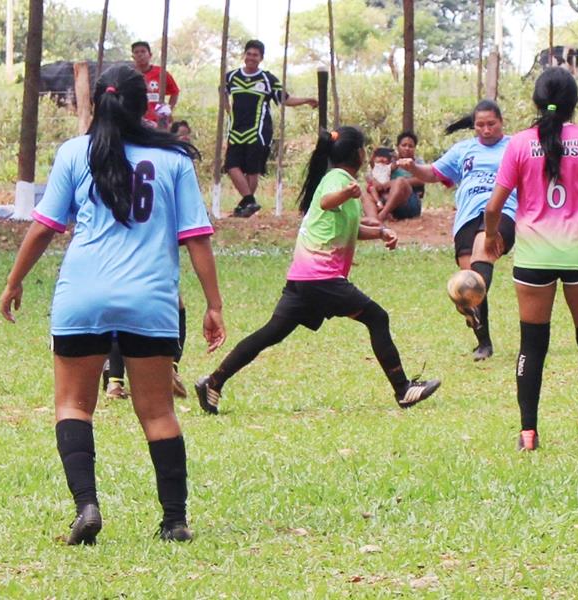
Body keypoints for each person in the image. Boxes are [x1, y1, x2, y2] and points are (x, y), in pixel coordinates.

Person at [0, 65, 226, 544]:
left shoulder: (73, 153)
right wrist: (213, 305)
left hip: (82, 296)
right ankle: (174, 519)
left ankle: (87, 506)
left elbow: (44, 227)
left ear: (97, 103)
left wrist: (15, 280)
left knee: (73, 405)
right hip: (151, 298)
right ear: (144, 106)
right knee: (159, 412)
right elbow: (197, 238)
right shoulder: (174, 160)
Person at [195, 126, 440, 414]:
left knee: (270, 333)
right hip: (321, 276)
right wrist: (345, 193)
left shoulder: (338, 179)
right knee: (377, 317)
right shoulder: (337, 180)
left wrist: (381, 232)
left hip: (304, 278)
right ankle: (403, 389)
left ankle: (213, 382)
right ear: (359, 154)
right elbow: (326, 201)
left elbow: (349, 228)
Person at [483, 67, 578, 452]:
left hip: (533, 256)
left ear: (537, 102)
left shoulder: (520, 144)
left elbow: (493, 207)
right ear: (574, 103)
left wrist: (492, 237)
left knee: (532, 344)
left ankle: (528, 432)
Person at [397, 101, 517, 361]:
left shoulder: (514, 146)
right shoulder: (463, 149)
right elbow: (433, 172)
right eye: (480, 125)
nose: (486, 130)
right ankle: (483, 343)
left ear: (502, 122)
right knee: (468, 284)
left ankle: (473, 311)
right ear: (473, 125)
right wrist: (413, 168)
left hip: (503, 210)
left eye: (491, 124)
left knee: (480, 260)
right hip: (466, 216)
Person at [102, 119, 196, 400]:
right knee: (174, 304)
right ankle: (171, 368)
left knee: (118, 315)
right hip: (151, 255)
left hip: (112, 257)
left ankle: (115, 381)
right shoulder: (162, 165)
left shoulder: (108, 163)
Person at [225, 39, 318, 218]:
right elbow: (223, 92)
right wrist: (228, 112)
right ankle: (249, 200)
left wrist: (306, 100)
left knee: (253, 170)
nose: (251, 58)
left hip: (258, 131)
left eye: (256, 55)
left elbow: (285, 99)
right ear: (244, 55)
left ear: (261, 58)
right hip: (236, 130)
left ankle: (246, 206)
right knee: (231, 165)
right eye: (249, 54)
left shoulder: (267, 79)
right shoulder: (231, 77)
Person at [131, 41, 180, 128]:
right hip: (137, 121)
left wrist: (167, 110)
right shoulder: (129, 75)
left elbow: (175, 92)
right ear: (133, 57)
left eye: (143, 51)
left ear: (150, 55)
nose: (140, 55)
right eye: (136, 52)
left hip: (158, 122)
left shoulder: (161, 73)